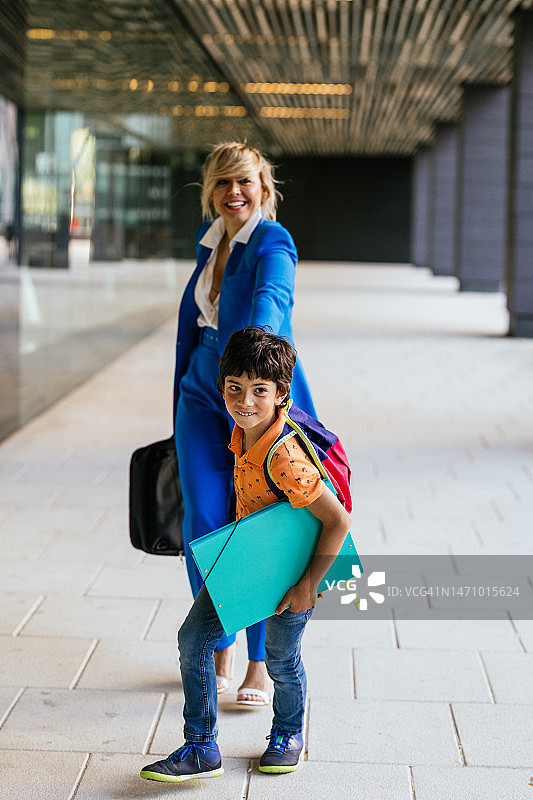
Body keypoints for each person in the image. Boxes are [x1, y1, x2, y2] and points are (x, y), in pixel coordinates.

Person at [141, 327, 351, 782]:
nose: (245, 401)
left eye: (260, 391)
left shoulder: (284, 457)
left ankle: (288, 733)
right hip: (251, 561)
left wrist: (307, 587)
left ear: (281, 395)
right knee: (194, 639)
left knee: (280, 657)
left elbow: (338, 522)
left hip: (294, 574)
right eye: (234, 388)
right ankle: (200, 746)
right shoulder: (242, 431)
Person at [172, 142, 316, 704]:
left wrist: (253, 371)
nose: (234, 193)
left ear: (264, 190)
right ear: (209, 191)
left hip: (248, 398)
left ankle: (260, 661)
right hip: (198, 399)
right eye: (223, 183)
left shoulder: (272, 242)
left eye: (245, 183)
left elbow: (273, 298)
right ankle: (219, 641)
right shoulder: (211, 247)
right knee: (204, 524)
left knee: (253, 523)